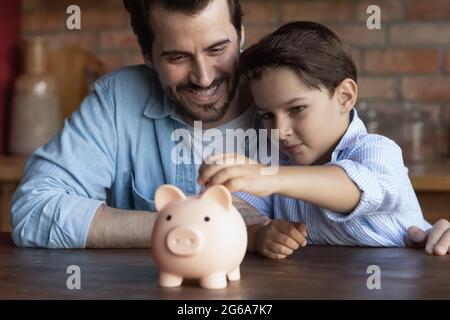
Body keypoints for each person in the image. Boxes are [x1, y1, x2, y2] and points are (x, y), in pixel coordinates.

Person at [10, 1, 449, 255]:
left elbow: (368, 187)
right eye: (177, 57)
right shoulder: (117, 101)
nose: (203, 77)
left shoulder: (308, 123)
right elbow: (33, 211)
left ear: (241, 32)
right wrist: (188, 226)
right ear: (147, 54)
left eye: (218, 48)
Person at [198, 21, 450, 258]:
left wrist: (266, 177)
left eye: (296, 109)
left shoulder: (378, 150)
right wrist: (258, 233)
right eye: (267, 115)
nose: (280, 130)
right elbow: (228, 209)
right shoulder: (281, 165)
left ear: (344, 97)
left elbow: (355, 187)